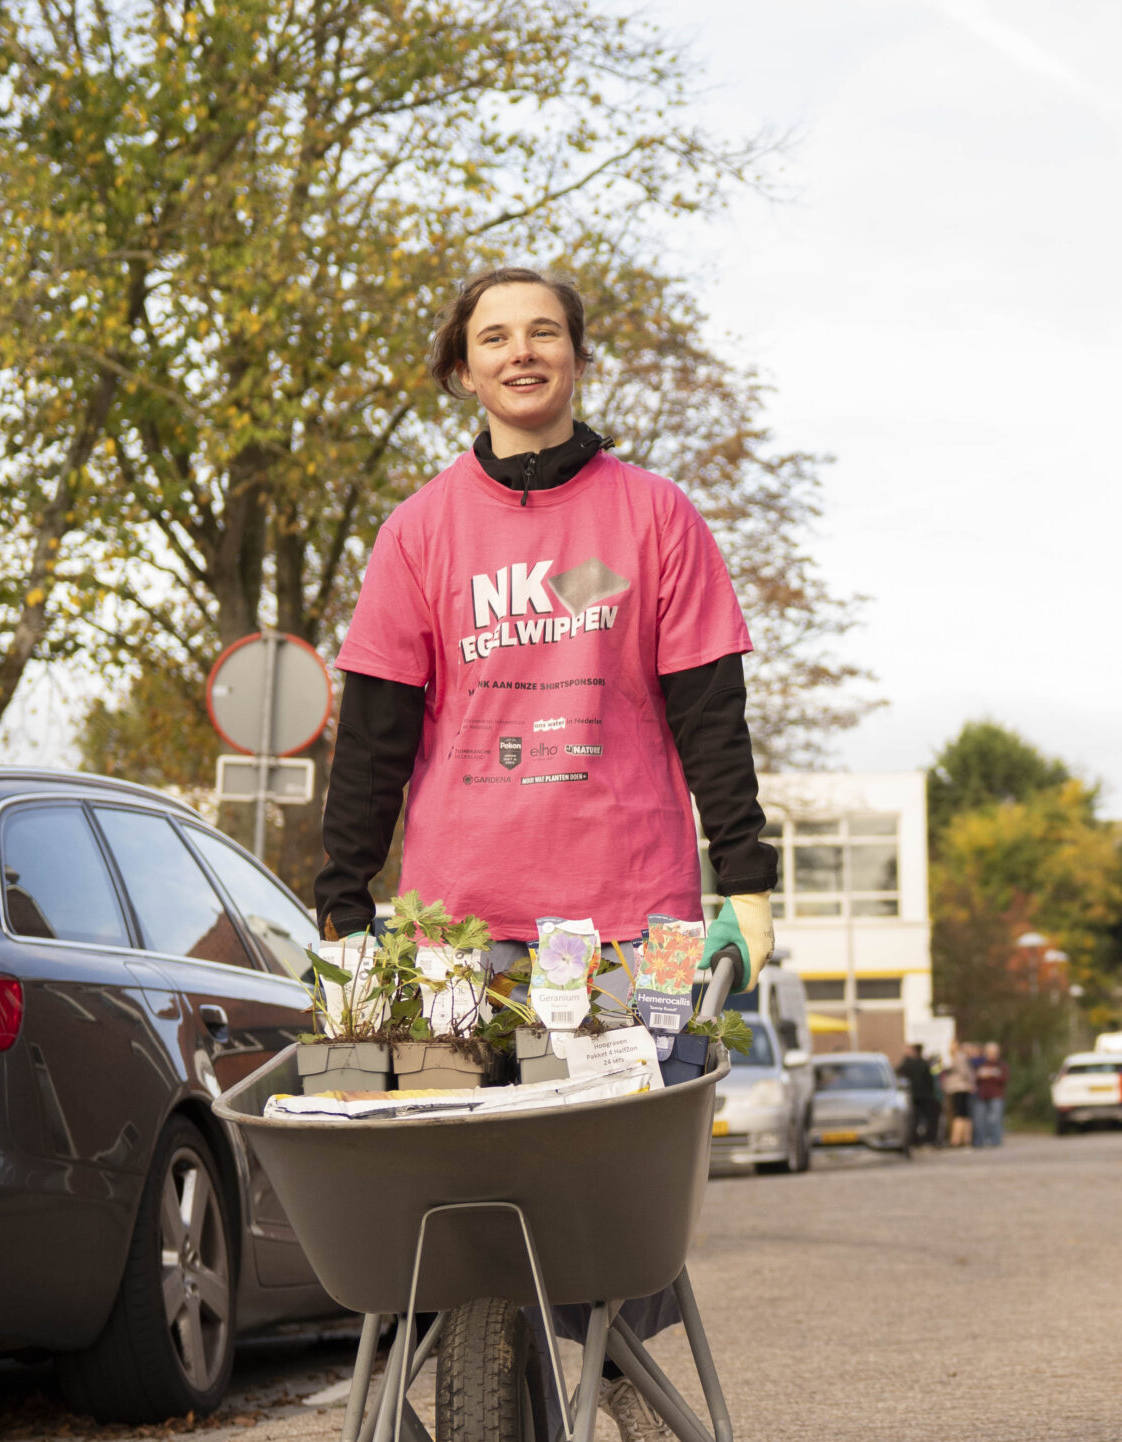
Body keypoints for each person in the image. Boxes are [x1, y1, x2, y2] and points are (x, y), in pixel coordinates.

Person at [314, 266, 779, 1442]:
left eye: (544, 333)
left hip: (634, 913)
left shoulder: (653, 517)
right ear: (462, 369)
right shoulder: (420, 530)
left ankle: (618, 1358)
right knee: (445, 1187)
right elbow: (372, 732)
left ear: (576, 355)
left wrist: (750, 877)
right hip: (457, 925)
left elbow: (708, 716)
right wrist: (342, 896)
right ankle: (467, 1374)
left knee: (615, 1175)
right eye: (493, 337)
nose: (522, 353)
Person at [898, 1043, 941, 1149]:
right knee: (928, 1119)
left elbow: (899, 1074)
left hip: (913, 1096)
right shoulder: (925, 1064)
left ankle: (914, 1140)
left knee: (914, 1119)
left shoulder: (906, 1064)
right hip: (926, 1096)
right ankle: (928, 1140)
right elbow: (931, 1080)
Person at [971, 1040, 1009, 1147]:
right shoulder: (980, 1064)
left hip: (996, 1095)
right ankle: (979, 1142)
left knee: (995, 1119)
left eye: (993, 1052)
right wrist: (980, 1075)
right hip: (982, 1095)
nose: (991, 1054)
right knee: (979, 1120)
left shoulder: (1002, 1064)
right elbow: (974, 1078)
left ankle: (995, 1141)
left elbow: (1004, 1078)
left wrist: (991, 1074)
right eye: (989, 1052)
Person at [941, 1044, 976, 1148]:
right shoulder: (960, 1057)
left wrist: (970, 1083)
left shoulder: (959, 1057)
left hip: (959, 1088)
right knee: (964, 1114)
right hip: (961, 1087)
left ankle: (956, 1139)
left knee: (959, 1114)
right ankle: (965, 1139)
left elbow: (964, 1072)